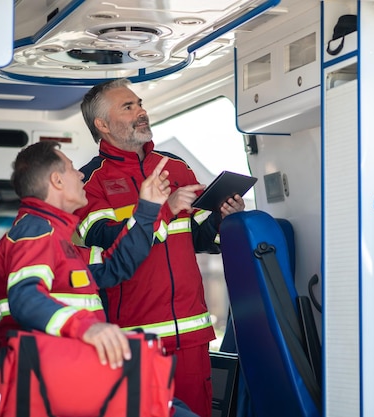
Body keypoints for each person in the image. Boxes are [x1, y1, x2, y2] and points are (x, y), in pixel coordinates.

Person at [75, 78, 245, 417]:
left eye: (139, 103)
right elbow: (108, 244)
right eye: (129, 107)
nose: (142, 111)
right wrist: (162, 210)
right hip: (134, 338)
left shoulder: (176, 167)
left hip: (193, 331)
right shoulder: (89, 181)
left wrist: (223, 220)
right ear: (102, 124)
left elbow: (199, 237)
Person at [0, 140, 171, 370]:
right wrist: (88, 328)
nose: (81, 176)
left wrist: (147, 208)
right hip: (48, 376)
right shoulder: (35, 231)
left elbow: (113, 267)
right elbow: (25, 299)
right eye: (73, 168)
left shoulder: (58, 239)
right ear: (57, 180)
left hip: (67, 369)